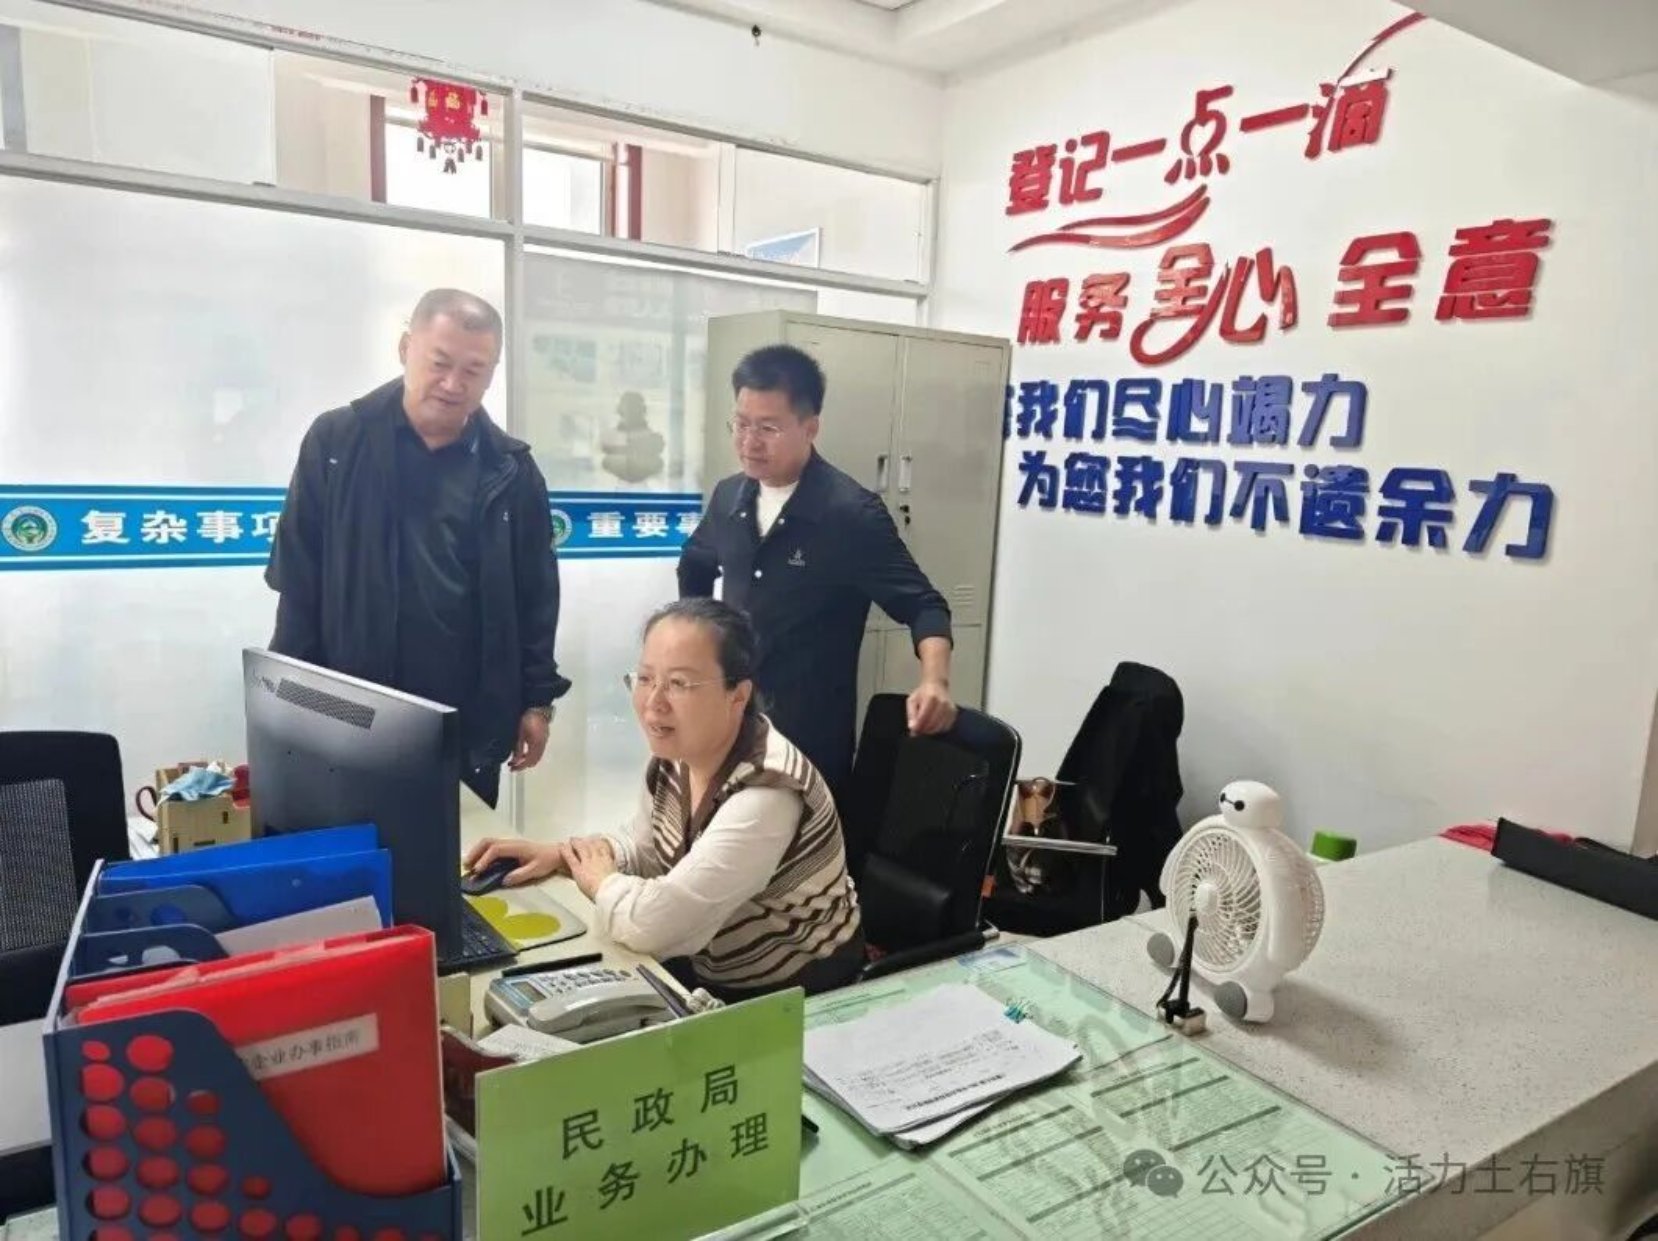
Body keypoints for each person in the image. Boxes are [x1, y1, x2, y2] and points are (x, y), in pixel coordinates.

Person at [465, 598, 865, 999]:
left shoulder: (767, 794)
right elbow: (646, 851)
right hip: (707, 973)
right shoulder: (679, 755)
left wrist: (600, 882)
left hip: (797, 996)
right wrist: (561, 855)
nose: (654, 702)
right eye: (645, 678)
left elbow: (654, 927)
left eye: (678, 684)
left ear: (738, 695)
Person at [265, 288, 570, 808]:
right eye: (439, 362)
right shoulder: (337, 441)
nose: (453, 384)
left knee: (451, 845)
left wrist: (537, 702)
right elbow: (298, 577)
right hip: (349, 709)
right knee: (350, 844)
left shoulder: (511, 469)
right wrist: (289, 698)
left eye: (473, 370)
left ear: (491, 375)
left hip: (463, 719)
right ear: (406, 348)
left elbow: (537, 596)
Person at [677, 344, 956, 797]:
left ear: (810, 428)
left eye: (768, 428)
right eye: (741, 424)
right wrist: (695, 650)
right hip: (729, 723)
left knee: (799, 841)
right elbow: (696, 563)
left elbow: (924, 605)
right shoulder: (729, 496)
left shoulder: (850, 515)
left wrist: (934, 681)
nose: (749, 442)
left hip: (807, 740)